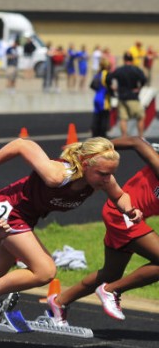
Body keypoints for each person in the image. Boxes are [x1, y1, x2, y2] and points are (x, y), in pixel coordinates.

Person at [0, 137, 141, 337]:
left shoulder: (103, 180)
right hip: (9, 210)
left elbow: (120, 196)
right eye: (103, 173)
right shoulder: (57, 175)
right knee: (45, 270)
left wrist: (129, 210)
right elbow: (21, 144)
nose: (107, 180)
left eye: (110, 174)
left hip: (25, 218)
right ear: (85, 164)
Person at [48, 137, 159, 323]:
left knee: (111, 273)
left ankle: (59, 302)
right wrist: (90, 150)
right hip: (122, 212)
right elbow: (136, 142)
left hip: (126, 216)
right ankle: (111, 290)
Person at [108, 52, 147, 137]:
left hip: (122, 97)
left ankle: (124, 137)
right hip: (133, 97)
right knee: (140, 116)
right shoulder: (136, 70)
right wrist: (139, 88)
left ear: (124, 60)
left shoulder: (119, 70)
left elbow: (109, 78)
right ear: (132, 60)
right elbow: (144, 79)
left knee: (123, 118)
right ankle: (141, 136)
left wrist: (113, 87)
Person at [90, 57, 112, 138]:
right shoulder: (107, 74)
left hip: (97, 97)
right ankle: (103, 135)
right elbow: (110, 86)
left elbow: (92, 85)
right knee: (104, 117)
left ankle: (94, 134)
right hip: (104, 98)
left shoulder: (98, 74)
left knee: (96, 116)